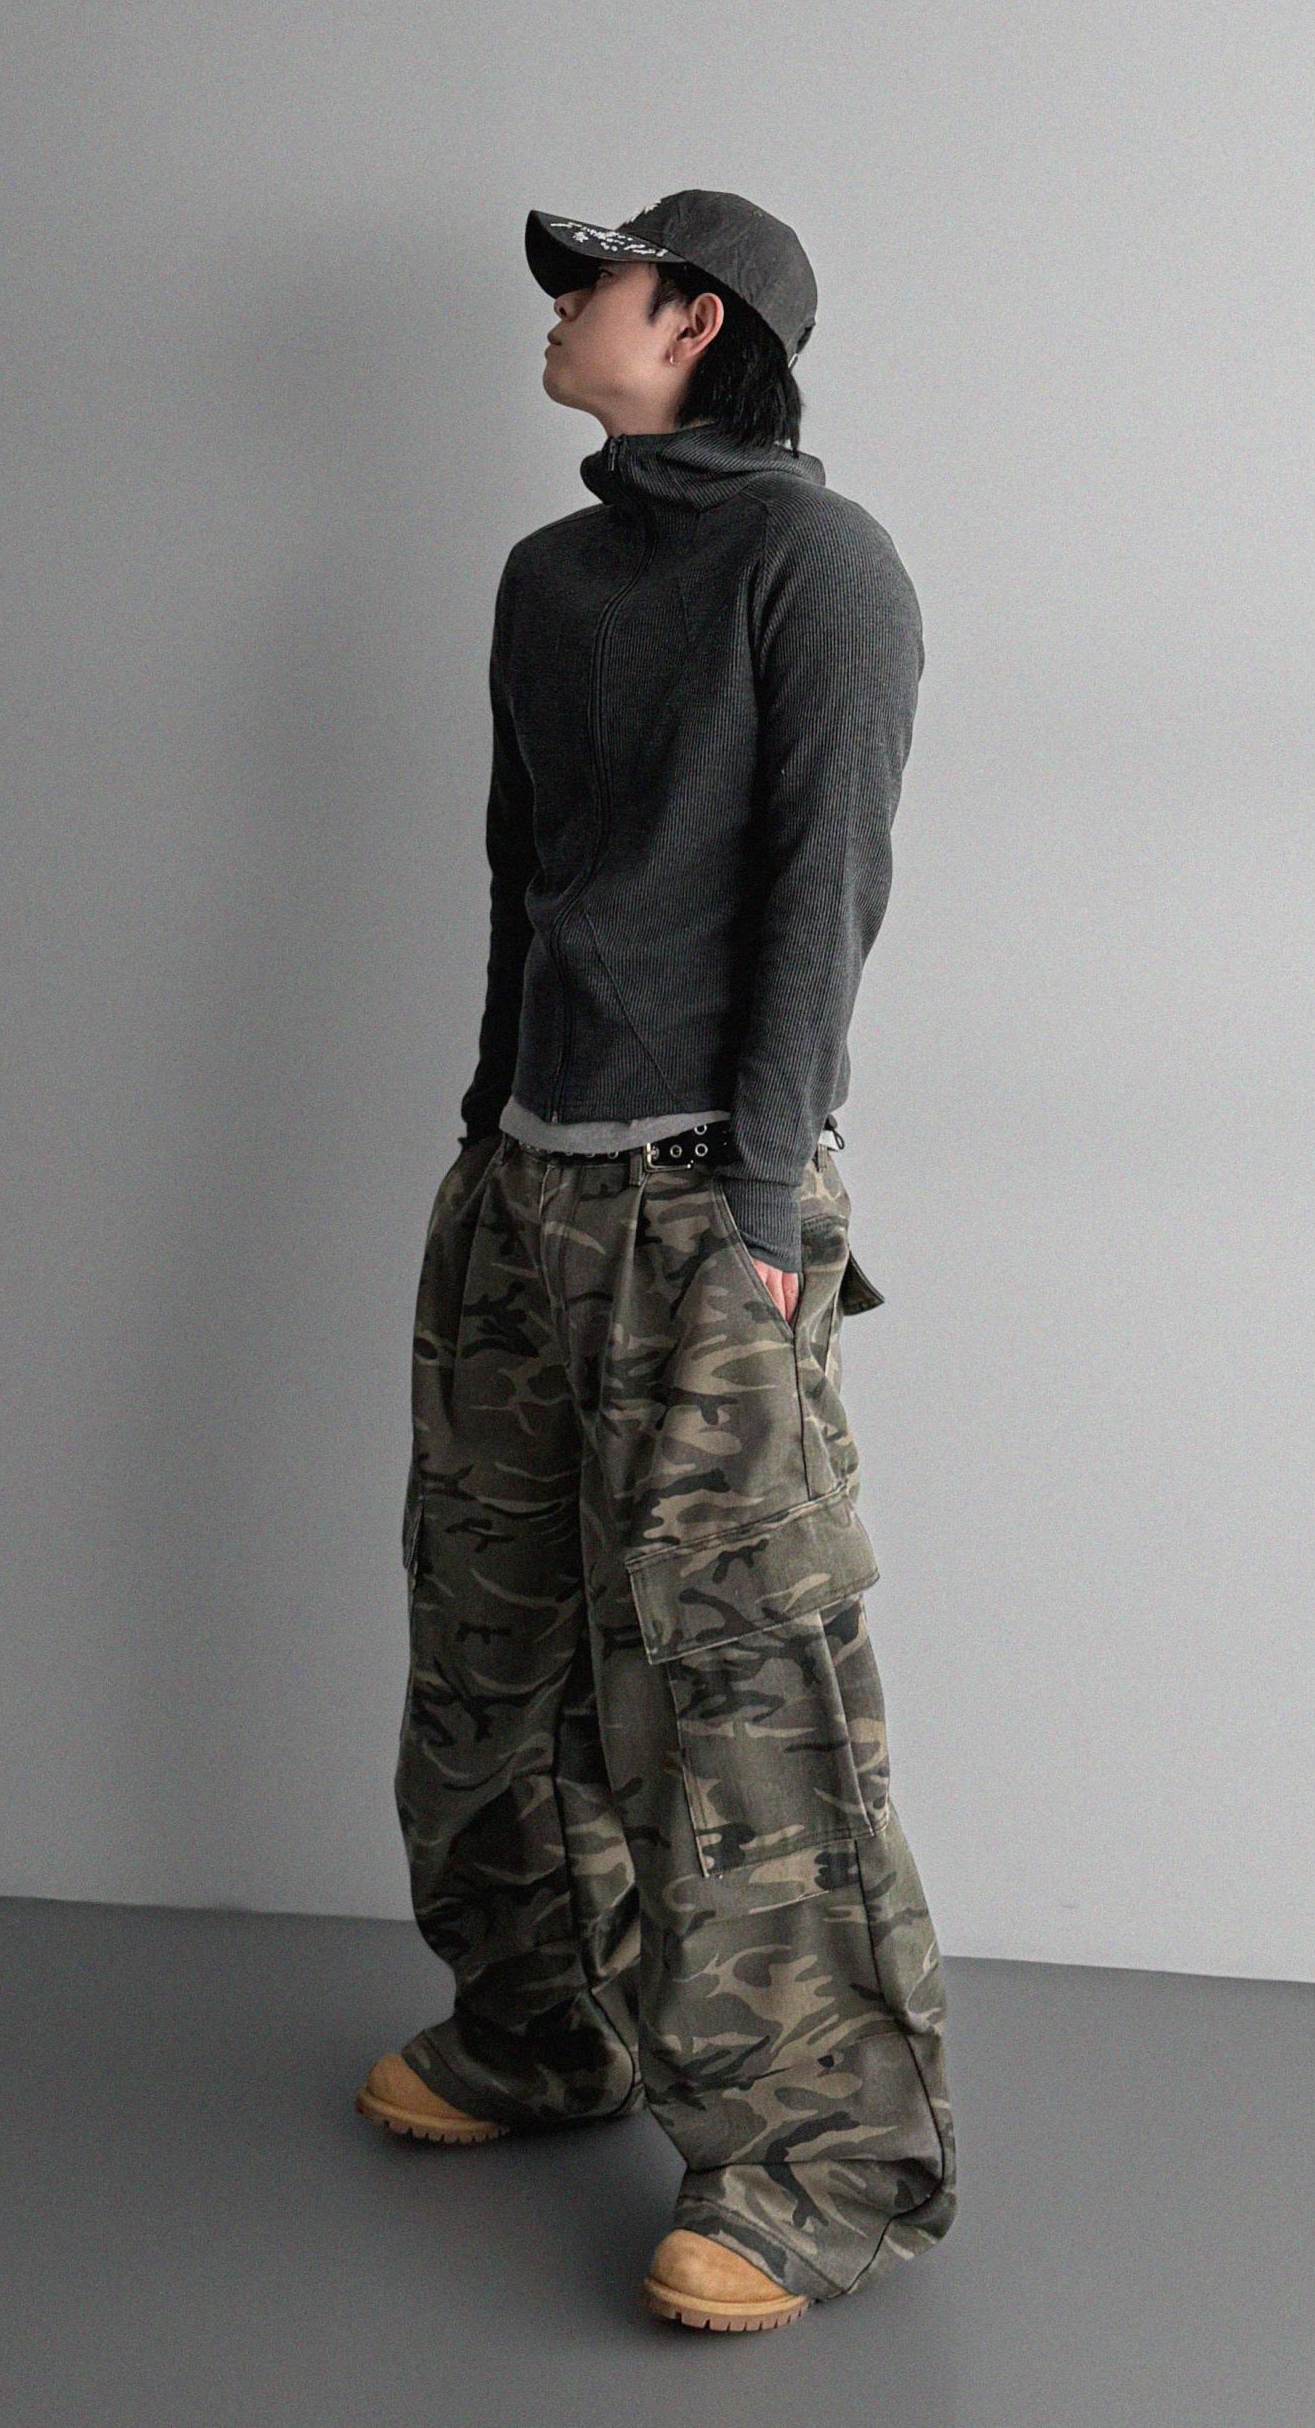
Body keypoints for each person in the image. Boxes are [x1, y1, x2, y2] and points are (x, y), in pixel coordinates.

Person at [357, 190, 958, 2334]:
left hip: (710, 1200)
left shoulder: (822, 569)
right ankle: (543, 2030)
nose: (556, 311)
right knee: (488, 1654)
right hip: (524, 1186)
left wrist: (768, 1206)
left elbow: (824, 895)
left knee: (740, 1699)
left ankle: (823, 2167)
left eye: (588, 283)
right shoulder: (550, 580)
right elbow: (523, 875)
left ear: (693, 321)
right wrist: (484, 1134)